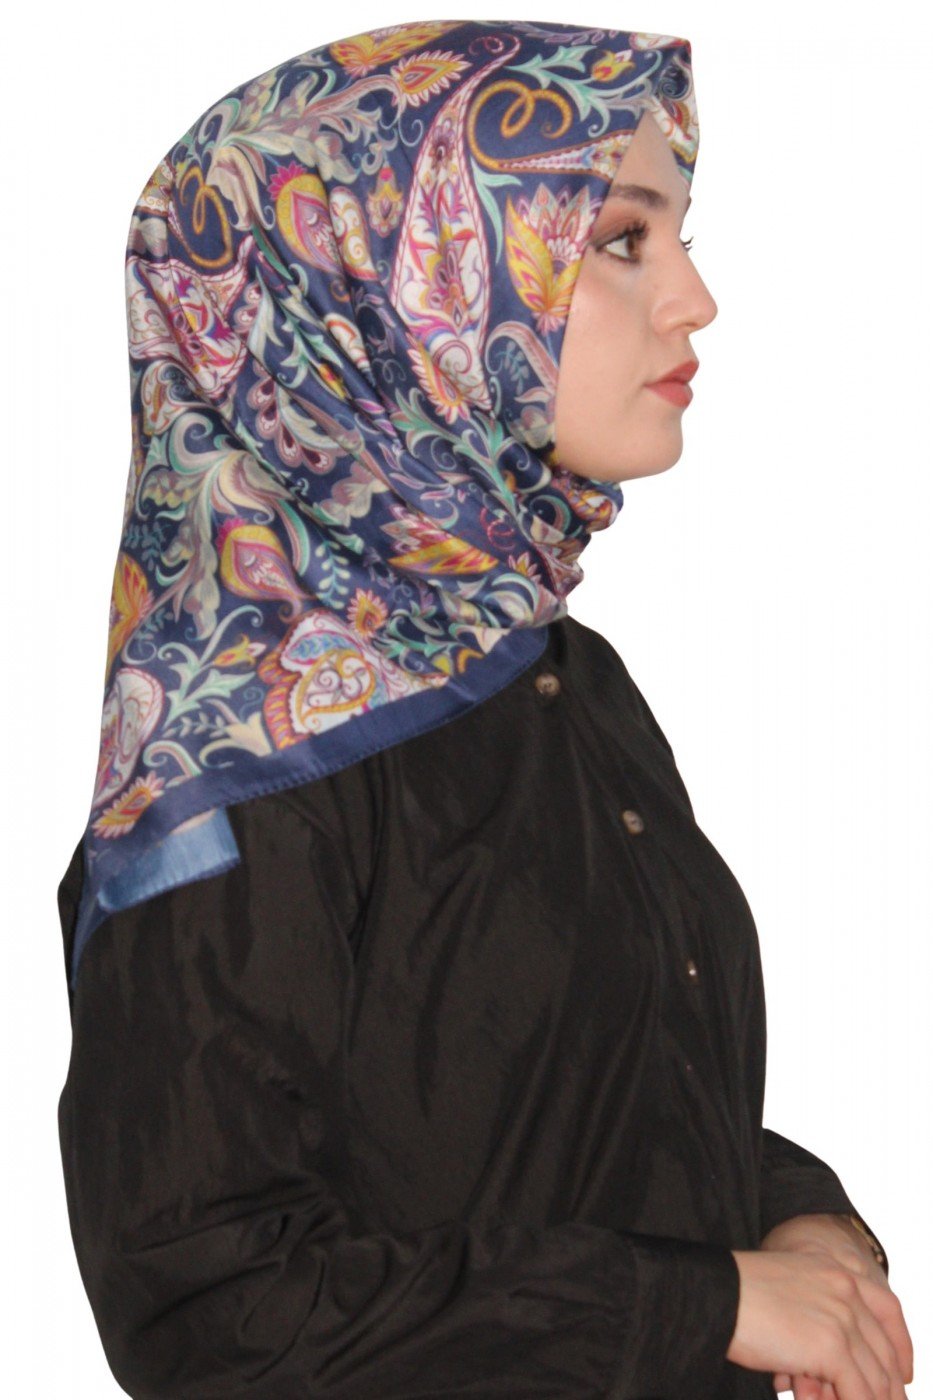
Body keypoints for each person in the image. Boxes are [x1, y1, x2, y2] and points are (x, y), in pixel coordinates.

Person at [55, 17, 913, 1398]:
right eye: (620, 240)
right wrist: (705, 1304)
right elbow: (213, 1309)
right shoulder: (237, 761)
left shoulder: (558, 679)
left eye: (678, 237)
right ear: (397, 290)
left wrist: (793, 1219)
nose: (694, 299)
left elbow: (558, 1115)